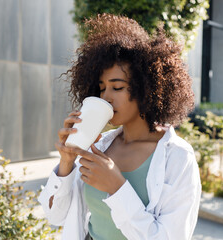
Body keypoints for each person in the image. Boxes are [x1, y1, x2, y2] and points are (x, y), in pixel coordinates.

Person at [38, 13, 201, 240]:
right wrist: (66, 162)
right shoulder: (100, 145)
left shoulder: (177, 157)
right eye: (102, 88)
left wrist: (117, 187)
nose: (106, 97)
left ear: (147, 89)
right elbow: (55, 215)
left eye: (117, 88)